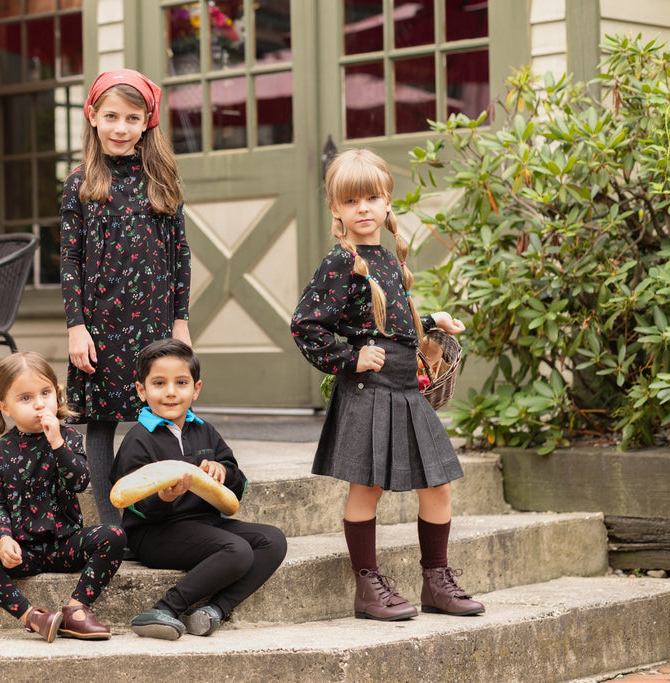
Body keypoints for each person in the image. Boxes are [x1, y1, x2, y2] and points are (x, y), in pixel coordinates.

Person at [291, 148, 484, 621]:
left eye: (372, 198)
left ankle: (436, 581)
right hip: (369, 390)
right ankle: (368, 589)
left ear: (386, 203)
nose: (363, 208)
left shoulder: (389, 260)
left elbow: (395, 321)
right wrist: (350, 357)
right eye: (352, 200)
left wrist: (434, 319)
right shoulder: (341, 262)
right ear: (336, 208)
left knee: (438, 484)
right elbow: (305, 325)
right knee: (369, 488)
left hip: (405, 388)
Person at [61, 69, 192, 527]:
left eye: (132, 118)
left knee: (159, 412)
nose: (121, 128)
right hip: (101, 322)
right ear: (92, 116)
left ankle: (155, 516)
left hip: (154, 320)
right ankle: (110, 526)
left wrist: (181, 321)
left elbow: (180, 256)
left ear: (147, 122)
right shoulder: (79, 184)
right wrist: (76, 326)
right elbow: (70, 261)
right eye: (111, 116)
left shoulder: (163, 181)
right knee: (101, 420)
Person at [110, 339, 287, 640]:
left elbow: (238, 484)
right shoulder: (139, 438)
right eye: (159, 383)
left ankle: (214, 611)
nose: (170, 392)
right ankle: (163, 609)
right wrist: (164, 498)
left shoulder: (204, 430)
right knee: (237, 550)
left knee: (273, 540)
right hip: (155, 533)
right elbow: (131, 501)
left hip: (205, 525)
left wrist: (224, 472)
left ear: (196, 388)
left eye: (181, 383)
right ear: (142, 390)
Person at [0, 352, 126, 642]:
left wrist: (57, 443)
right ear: (5, 407)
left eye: (46, 393)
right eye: (25, 398)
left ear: (58, 395)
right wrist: (4, 540)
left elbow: (80, 482)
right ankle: (35, 618)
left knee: (114, 535)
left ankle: (77, 611)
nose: (39, 403)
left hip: (66, 544)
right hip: (23, 550)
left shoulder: (70, 438)